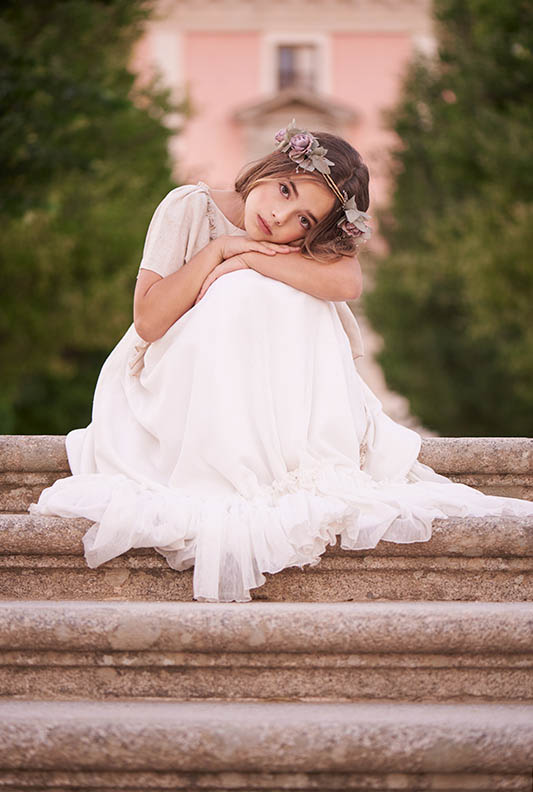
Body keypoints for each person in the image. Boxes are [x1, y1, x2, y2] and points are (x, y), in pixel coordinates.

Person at [30, 120, 533, 602]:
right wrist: (223, 252)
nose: (279, 219)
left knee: (276, 289)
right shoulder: (188, 206)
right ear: (273, 168)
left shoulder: (289, 248)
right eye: (287, 192)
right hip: (176, 378)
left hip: (276, 391)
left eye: (305, 222)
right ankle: (227, 459)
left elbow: (348, 284)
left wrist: (250, 260)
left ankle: (283, 457)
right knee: (240, 290)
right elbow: (149, 320)